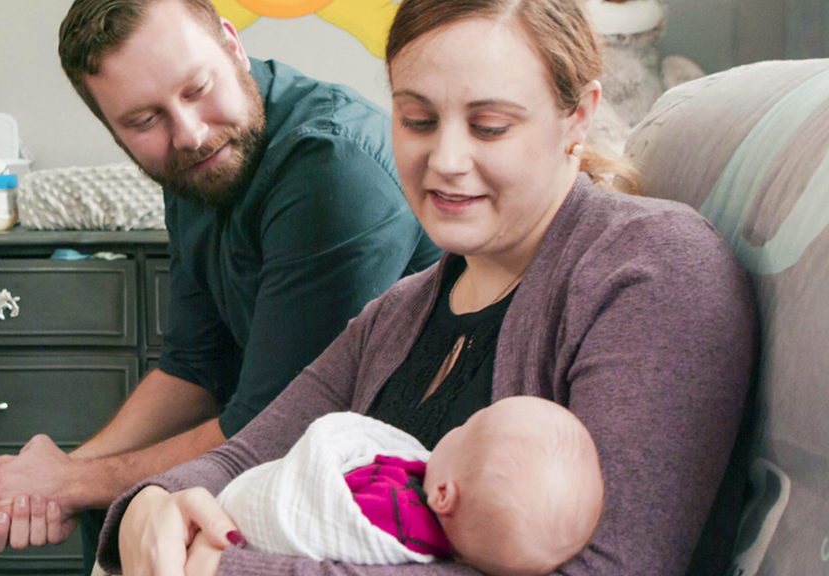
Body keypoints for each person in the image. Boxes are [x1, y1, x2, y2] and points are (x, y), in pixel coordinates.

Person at [98, 0, 759, 574]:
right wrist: (148, 504)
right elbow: (244, 454)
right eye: (417, 119)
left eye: (489, 125)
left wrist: (233, 569)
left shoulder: (654, 269)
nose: (444, 160)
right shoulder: (399, 315)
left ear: (578, 115)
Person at [0, 0, 441, 562]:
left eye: (197, 88)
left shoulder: (331, 168)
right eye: (144, 120)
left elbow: (270, 425)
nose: (189, 132)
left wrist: (69, 485)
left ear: (231, 43)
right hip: (287, 453)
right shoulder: (194, 163)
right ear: (113, 129)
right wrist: (61, 471)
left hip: (394, 480)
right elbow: (194, 366)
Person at [215, 397, 604, 576]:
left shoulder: (392, 513)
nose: (459, 426)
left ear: (443, 495)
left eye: (467, 429)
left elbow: (322, 506)